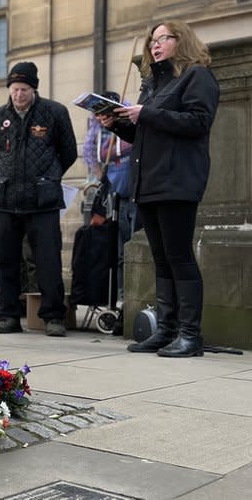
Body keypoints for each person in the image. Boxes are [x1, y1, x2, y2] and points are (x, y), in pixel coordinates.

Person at [100, 21, 220, 357]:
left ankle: (190, 336)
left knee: (180, 257)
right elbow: (146, 133)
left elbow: (199, 122)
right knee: (161, 259)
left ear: (179, 40)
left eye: (161, 39)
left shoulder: (197, 76)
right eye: (152, 40)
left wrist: (147, 114)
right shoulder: (152, 84)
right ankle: (166, 331)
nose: (154, 45)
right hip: (148, 181)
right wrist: (119, 125)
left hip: (177, 181)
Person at [0, 61, 77, 336]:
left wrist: (50, 176)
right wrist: (2, 178)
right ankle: (8, 316)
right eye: (14, 89)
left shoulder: (55, 113)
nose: (18, 94)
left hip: (43, 200)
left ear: (33, 89)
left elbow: (69, 151)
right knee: (5, 260)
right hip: (5, 200)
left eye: (24, 89)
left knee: (48, 260)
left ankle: (53, 317)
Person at [84, 91, 139, 302]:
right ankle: (122, 298)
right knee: (120, 253)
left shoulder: (127, 125)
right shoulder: (98, 134)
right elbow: (96, 160)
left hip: (134, 194)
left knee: (135, 248)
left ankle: (134, 298)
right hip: (115, 198)